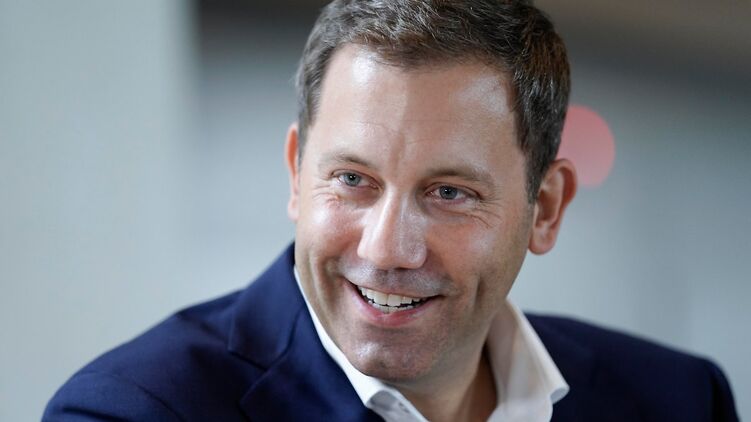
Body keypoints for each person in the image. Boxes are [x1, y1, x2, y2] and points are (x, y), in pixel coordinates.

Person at [44, 1, 738, 421]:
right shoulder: (132, 412)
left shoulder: (678, 401)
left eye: (449, 193)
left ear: (545, 209)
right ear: (296, 173)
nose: (386, 249)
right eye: (353, 179)